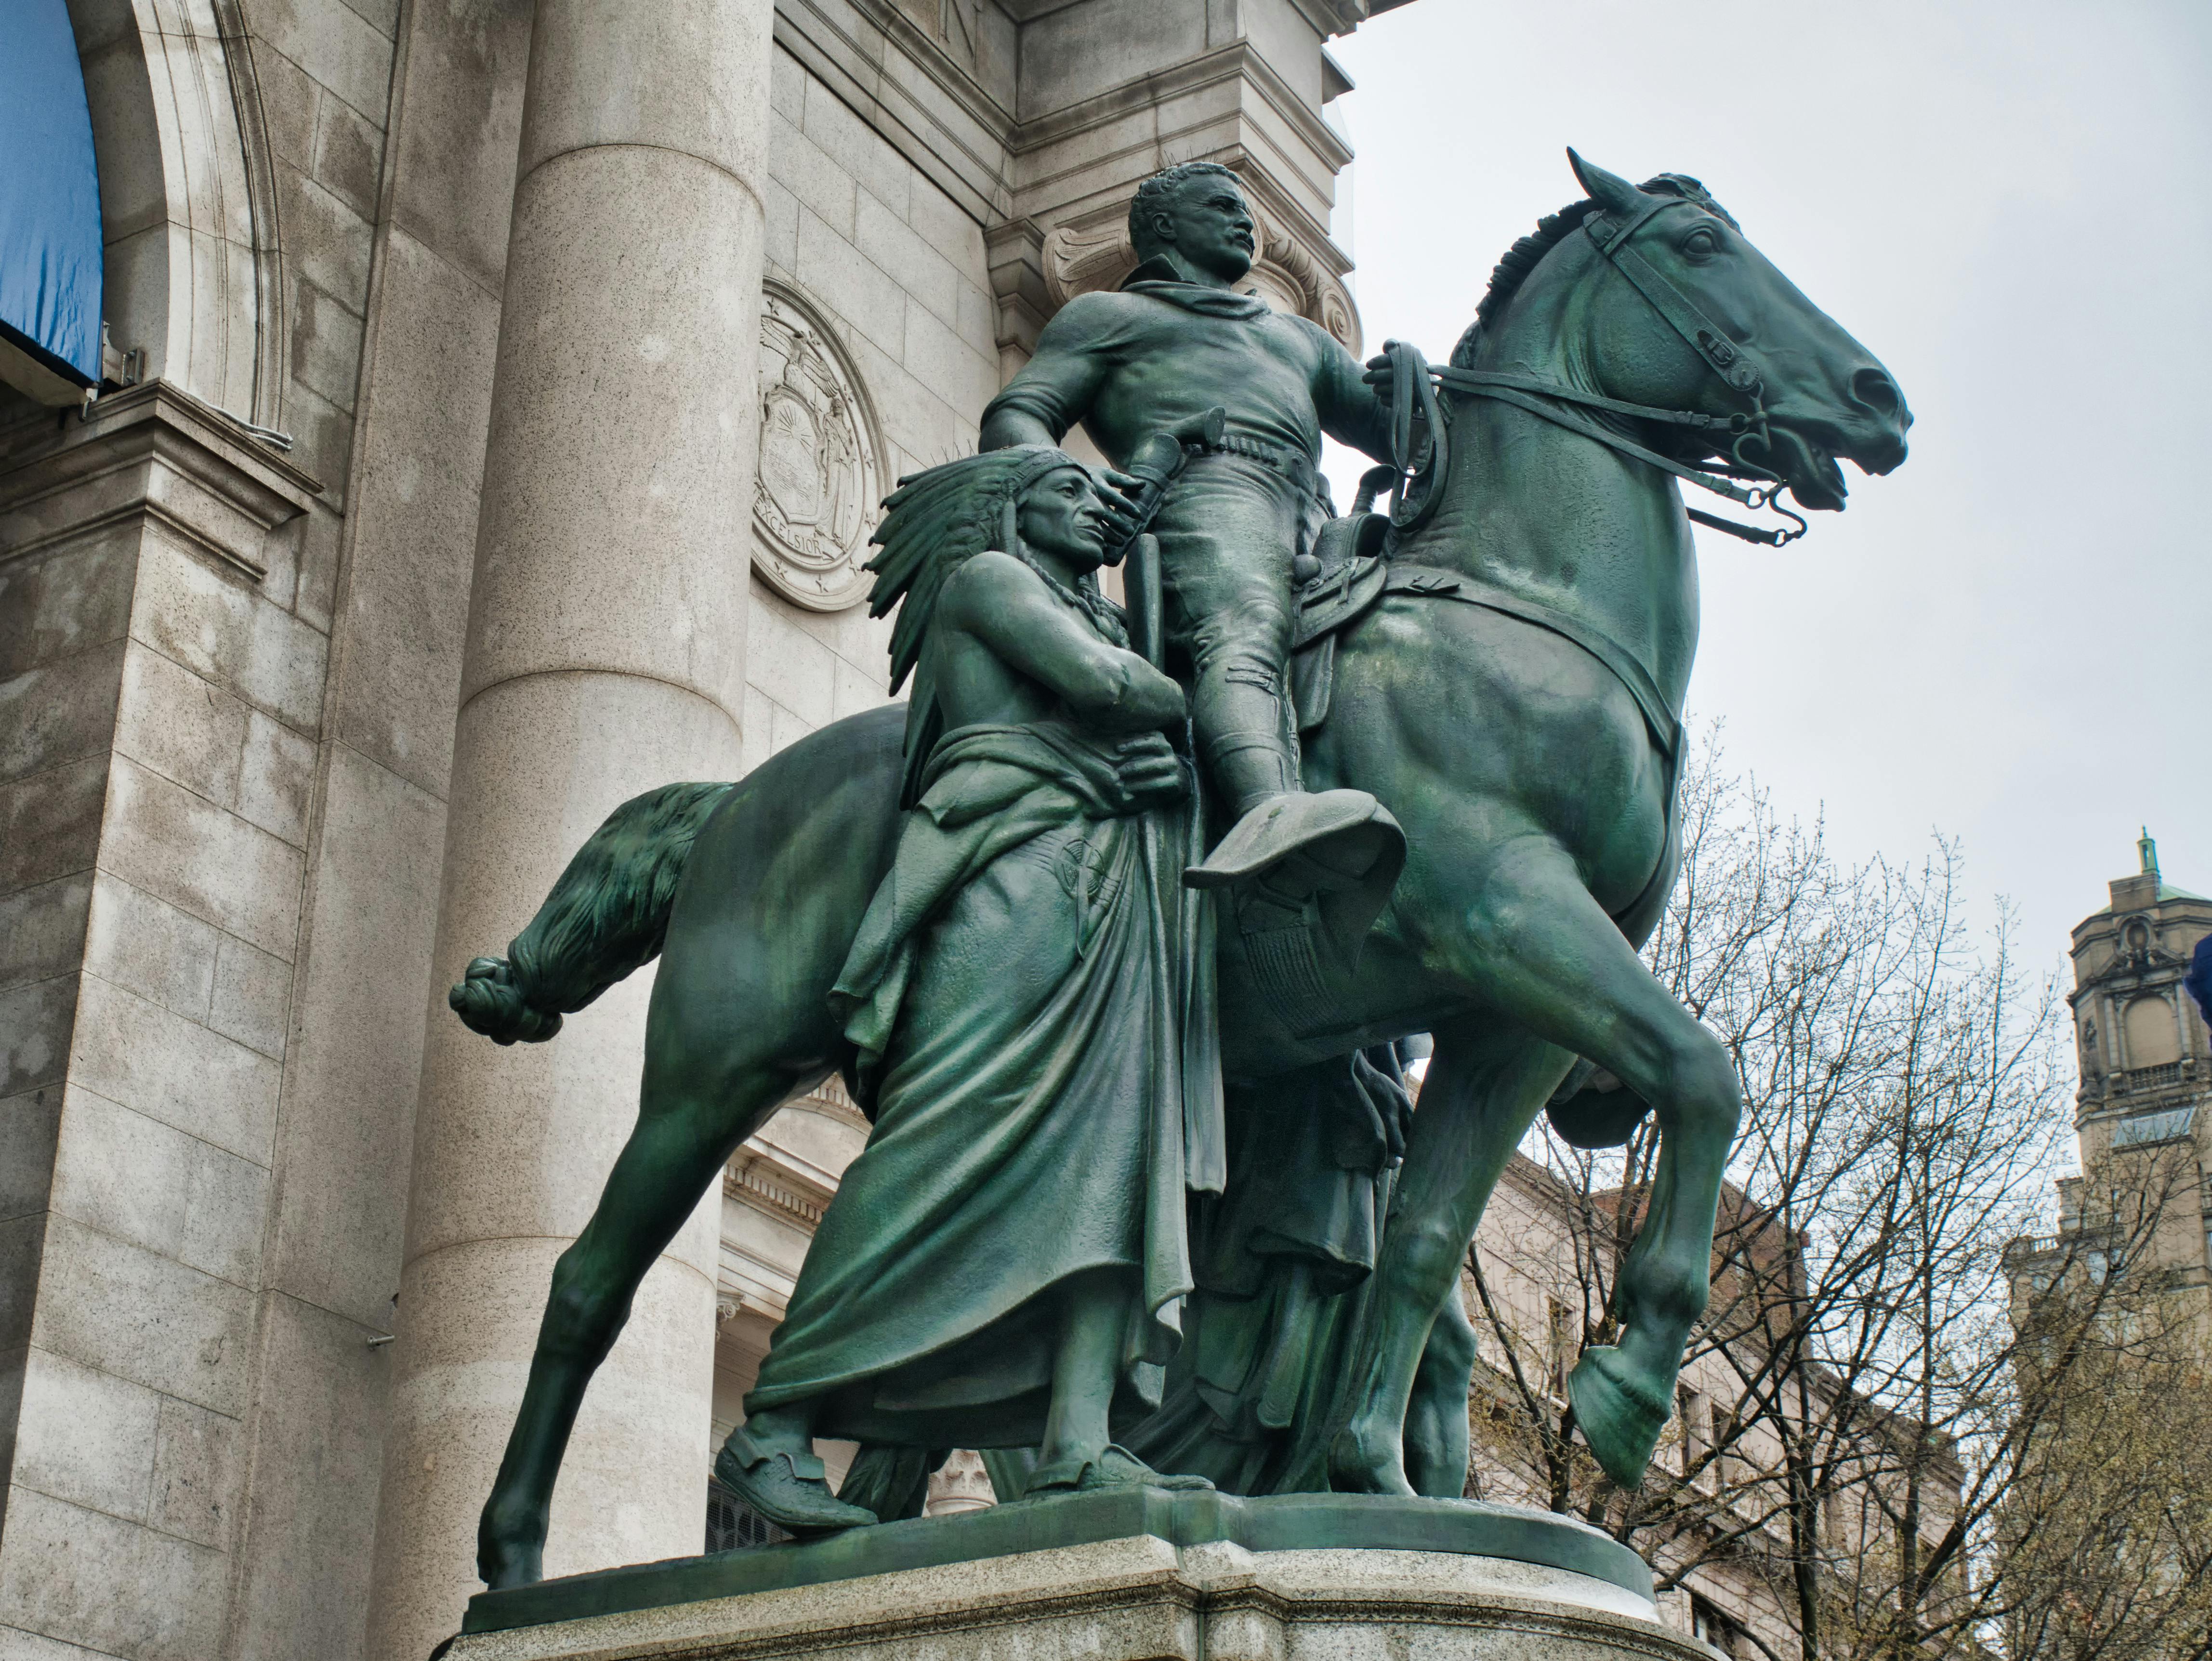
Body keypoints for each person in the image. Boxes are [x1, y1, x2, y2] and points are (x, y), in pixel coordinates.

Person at [713, 447, 1218, 1531]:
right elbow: (1111, 688)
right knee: (937, 1143)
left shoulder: (1084, 604)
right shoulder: (991, 583)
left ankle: (1080, 1439)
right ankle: (776, 1422)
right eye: (1071, 493)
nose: (1098, 510)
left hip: (1104, 894)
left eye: (1101, 497)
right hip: (1008, 878)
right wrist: (1210, 681)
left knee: (1112, 1171)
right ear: (1010, 509)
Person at [979, 162, 1402, 895]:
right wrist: (1073, 488)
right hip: (1205, 492)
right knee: (1244, 628)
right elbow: (1017, 415)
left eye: (1247, 212)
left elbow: (1389, 430)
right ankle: (1268, 811)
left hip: (1316, 511)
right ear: (1165, 228)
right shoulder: (1112, 318)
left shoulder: (1295, 338)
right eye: (1222, 207)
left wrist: (1413, 393)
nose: (1248, 224)